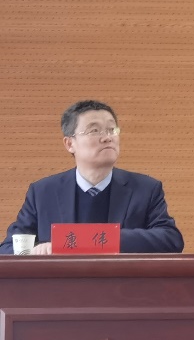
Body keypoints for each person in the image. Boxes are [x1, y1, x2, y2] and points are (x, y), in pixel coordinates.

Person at [1, 100, 183, 254]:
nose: (107, 138)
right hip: (62, 285)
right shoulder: (43, 192)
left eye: (112, 129)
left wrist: (94, 240)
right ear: (69, 143)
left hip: (122, 284)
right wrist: (35, 251)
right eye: (94, 131)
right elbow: (8, 248)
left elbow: (170, 239)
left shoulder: (145, 188)